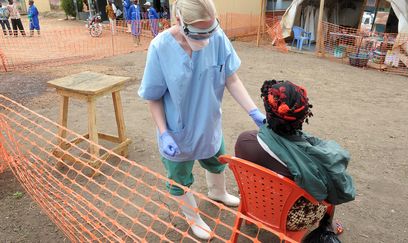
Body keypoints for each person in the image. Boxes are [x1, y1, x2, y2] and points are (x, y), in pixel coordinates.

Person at [137, 0, 266, 240]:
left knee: (217, 159)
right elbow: (153, 97)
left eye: (211, 29)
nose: (206, 38)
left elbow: (231, 78)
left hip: (208, 123)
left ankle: (218, 191)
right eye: (199, 32)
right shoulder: (160, 48)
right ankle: (193, 216)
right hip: (178, 130)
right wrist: (164, 133)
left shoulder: (217, 38)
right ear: (179, 21)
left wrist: (253, 111)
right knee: (179, 178)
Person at [235, 80, 355, 234]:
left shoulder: (245, 141)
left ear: (267, 108)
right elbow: (326, 192)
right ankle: (327, 225)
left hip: (253, 202)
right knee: (329, 181)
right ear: (304, 116)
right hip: (291, 218)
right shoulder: (311, 161)